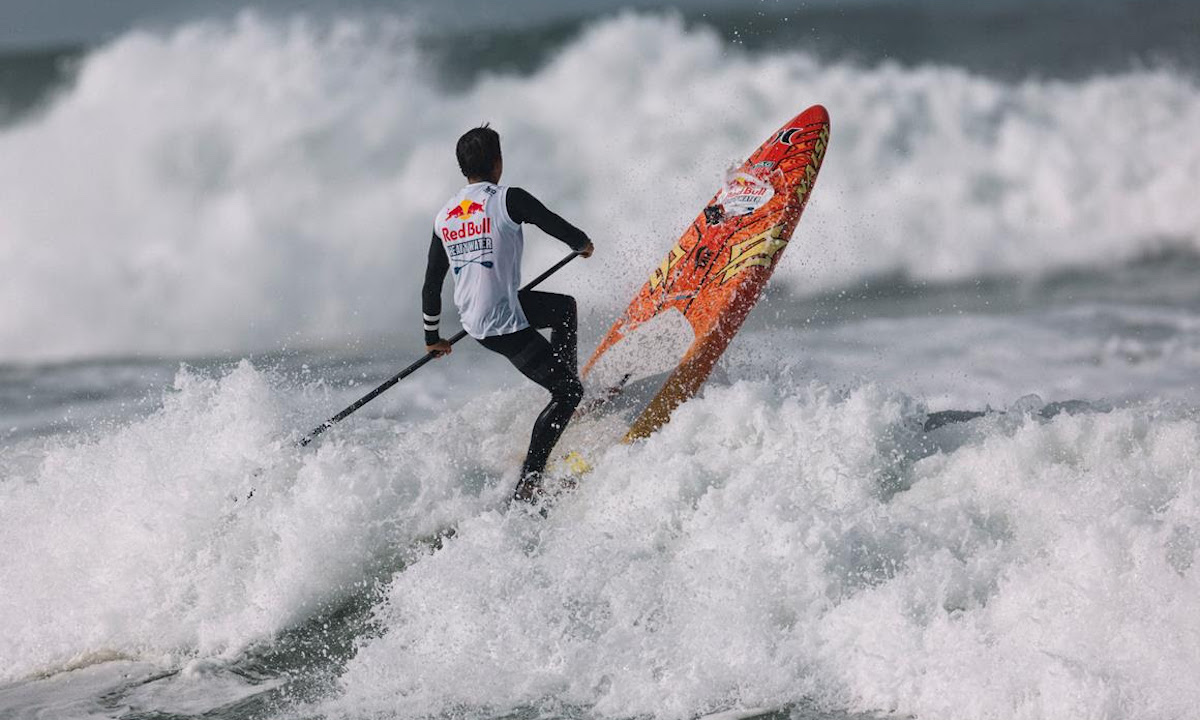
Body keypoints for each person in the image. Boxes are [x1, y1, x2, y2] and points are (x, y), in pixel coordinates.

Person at [421, 124, 595, 503]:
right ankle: (528, 483)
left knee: (564, 309)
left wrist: (432, 338)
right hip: (501, 322)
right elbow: (550, 221)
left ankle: (566, 396)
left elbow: (431, 285)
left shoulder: (445, 216)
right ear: (497, 162)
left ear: (463, 168)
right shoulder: (507, 199)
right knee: (568, 393)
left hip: (479, 317)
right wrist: (581, 243)